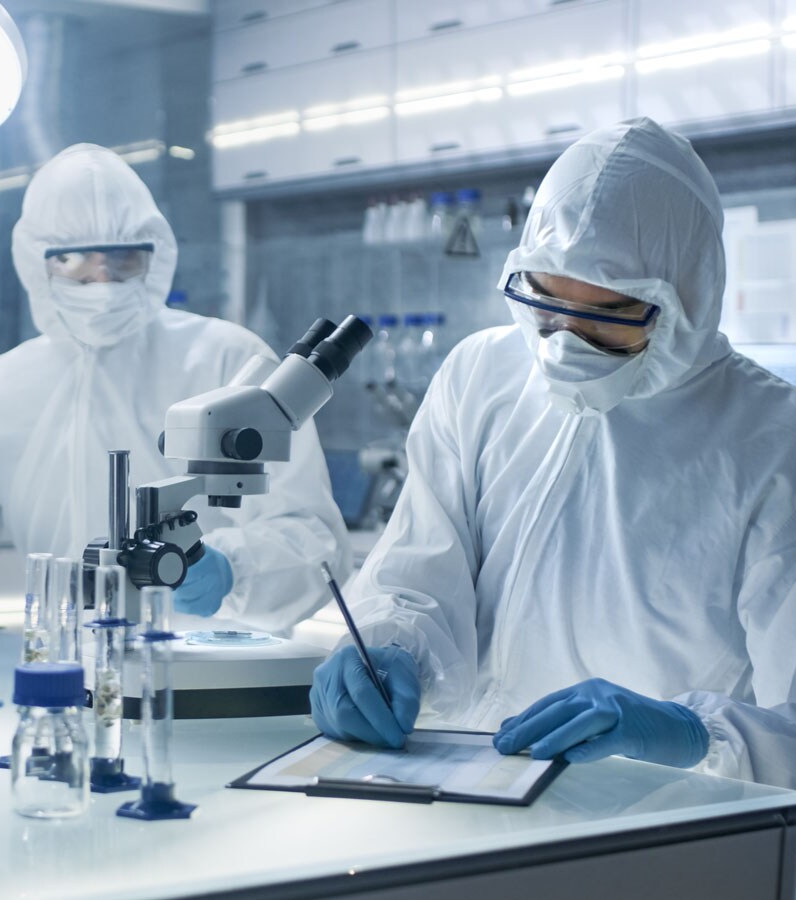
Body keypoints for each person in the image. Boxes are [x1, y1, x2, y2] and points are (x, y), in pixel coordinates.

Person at [310, 117, 796, 788]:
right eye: (545, 301)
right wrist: (390, 647)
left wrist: (691, 734)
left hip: (659, 817)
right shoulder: (482, 373)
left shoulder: (772, 438)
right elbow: (418, 575)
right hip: (472, 788)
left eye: (607, 318)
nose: (565, 345)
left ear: (686, 300)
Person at [0, 144, 350, 630]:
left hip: (214, 663)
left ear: (155, 255)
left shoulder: (228, 360)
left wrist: (232, 569)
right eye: (74, 259)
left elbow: (314, 539)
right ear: (36, 261)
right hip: (61, 661)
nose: (102, 279)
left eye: (123, 258)